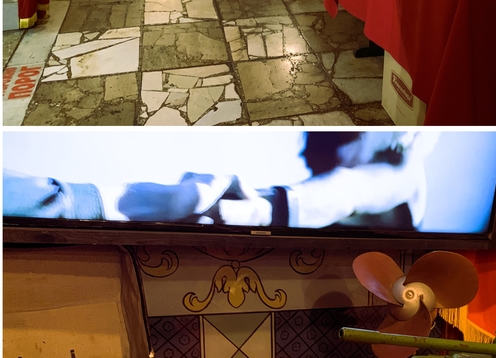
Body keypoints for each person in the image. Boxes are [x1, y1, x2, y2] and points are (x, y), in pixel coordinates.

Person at [4, 131, 441, 233]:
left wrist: (257, 209)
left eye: (336, 141)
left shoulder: (399, 177)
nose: (311, 156)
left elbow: (345, 190)